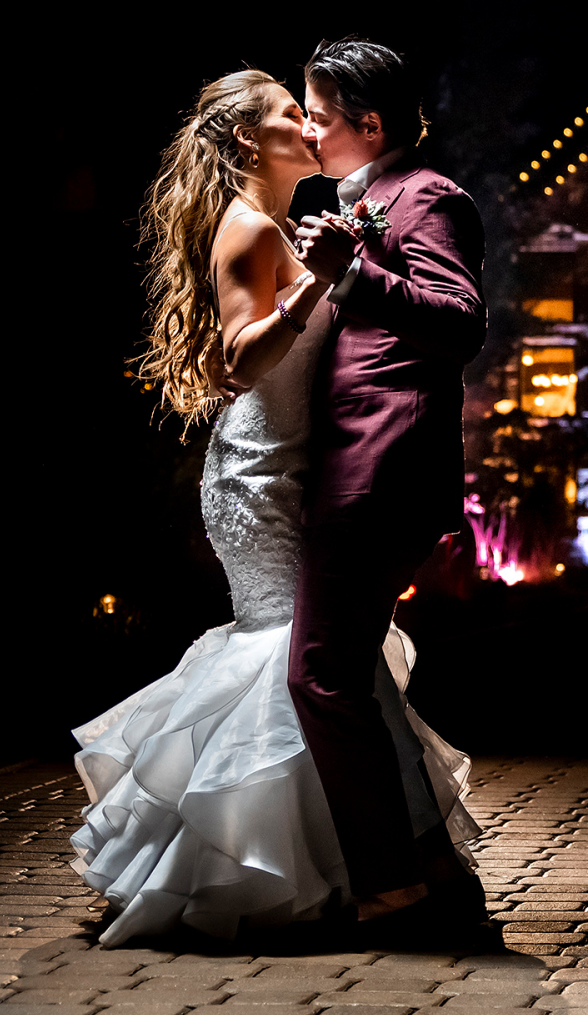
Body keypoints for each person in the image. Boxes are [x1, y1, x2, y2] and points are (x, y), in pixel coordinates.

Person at [69, 69, 480, 948]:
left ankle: (378, 868)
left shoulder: (289, 225)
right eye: (293, 115)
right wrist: (314, 286)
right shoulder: (251, 229)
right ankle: (353, 869)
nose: (310, 124)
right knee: (307, 661)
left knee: (317, 664)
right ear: (251, 142)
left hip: (302, 468)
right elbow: (244, 361)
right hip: (263, 475)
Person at [286, 38, 489, 935]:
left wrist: (353, 273)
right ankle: (431, 873)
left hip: (380, 469)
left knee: (321, 674)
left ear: (369, 124)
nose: (306, 129)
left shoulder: (427, 196)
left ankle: (391, 886)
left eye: (318, 115)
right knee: (350, 673)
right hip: (353, 463)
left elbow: (460, 320)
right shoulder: (363, 201)